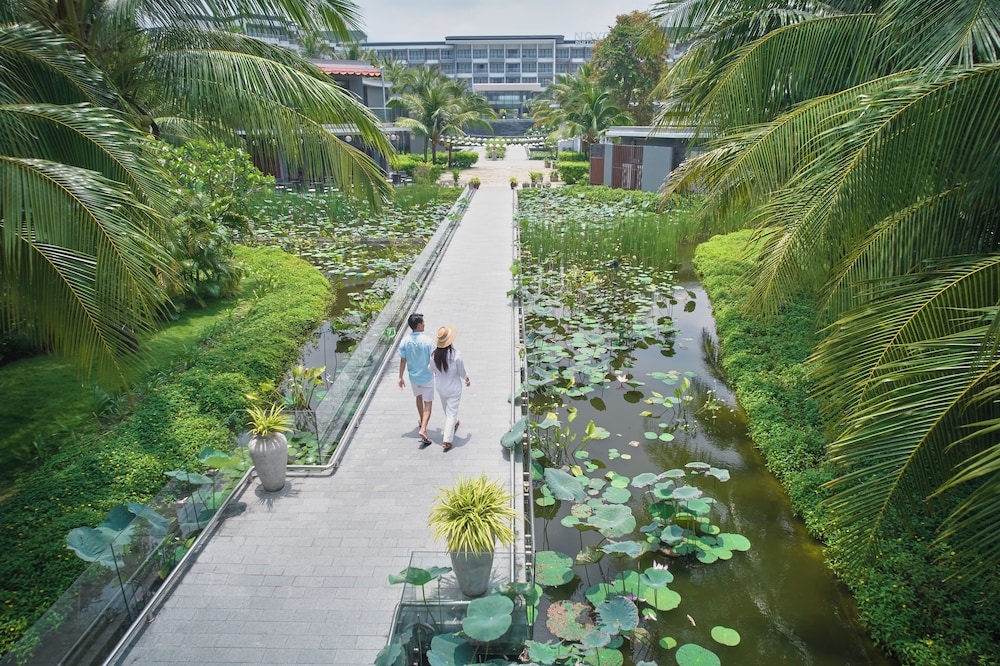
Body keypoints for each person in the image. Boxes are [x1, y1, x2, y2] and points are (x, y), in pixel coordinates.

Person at [429, 325, 470, 452]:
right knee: (451, 413)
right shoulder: (456, 355)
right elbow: (461, 371)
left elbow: (431, 369)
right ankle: (447, 439)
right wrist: (467, 379)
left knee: (447, 409)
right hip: (453, 389)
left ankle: (454, 423)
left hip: (441, 387)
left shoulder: (434, 355)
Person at [398, 313, 435, 445]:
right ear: (419, 325)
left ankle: (421, 419)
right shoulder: (428, 341)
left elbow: (403, 361)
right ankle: (423, 428)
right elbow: (433, 359)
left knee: (418, 398)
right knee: (428, 403)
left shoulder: (405, 341)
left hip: (413, 376)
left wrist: (400, 377)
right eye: (423, 322)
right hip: (427, 376)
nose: (424, 324)